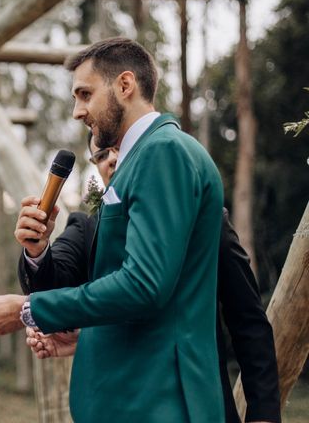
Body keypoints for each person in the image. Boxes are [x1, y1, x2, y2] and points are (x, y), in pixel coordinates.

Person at [0, 37, 226, 422]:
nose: (77, 111)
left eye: (85, 94)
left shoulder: (164, 152)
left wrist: (28, 310)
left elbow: (144, 285)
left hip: (154, 401)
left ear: (125, 86)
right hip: (127, 401)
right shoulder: (139, 160)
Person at [19, 134, 281, 423]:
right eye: (102, 154)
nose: (113, 159)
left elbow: (248, 320)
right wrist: (37, 250)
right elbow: (52, 290)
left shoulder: (204, 221)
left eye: (120, 148)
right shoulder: (85, 229)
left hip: (196, 408)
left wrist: (263, 414)